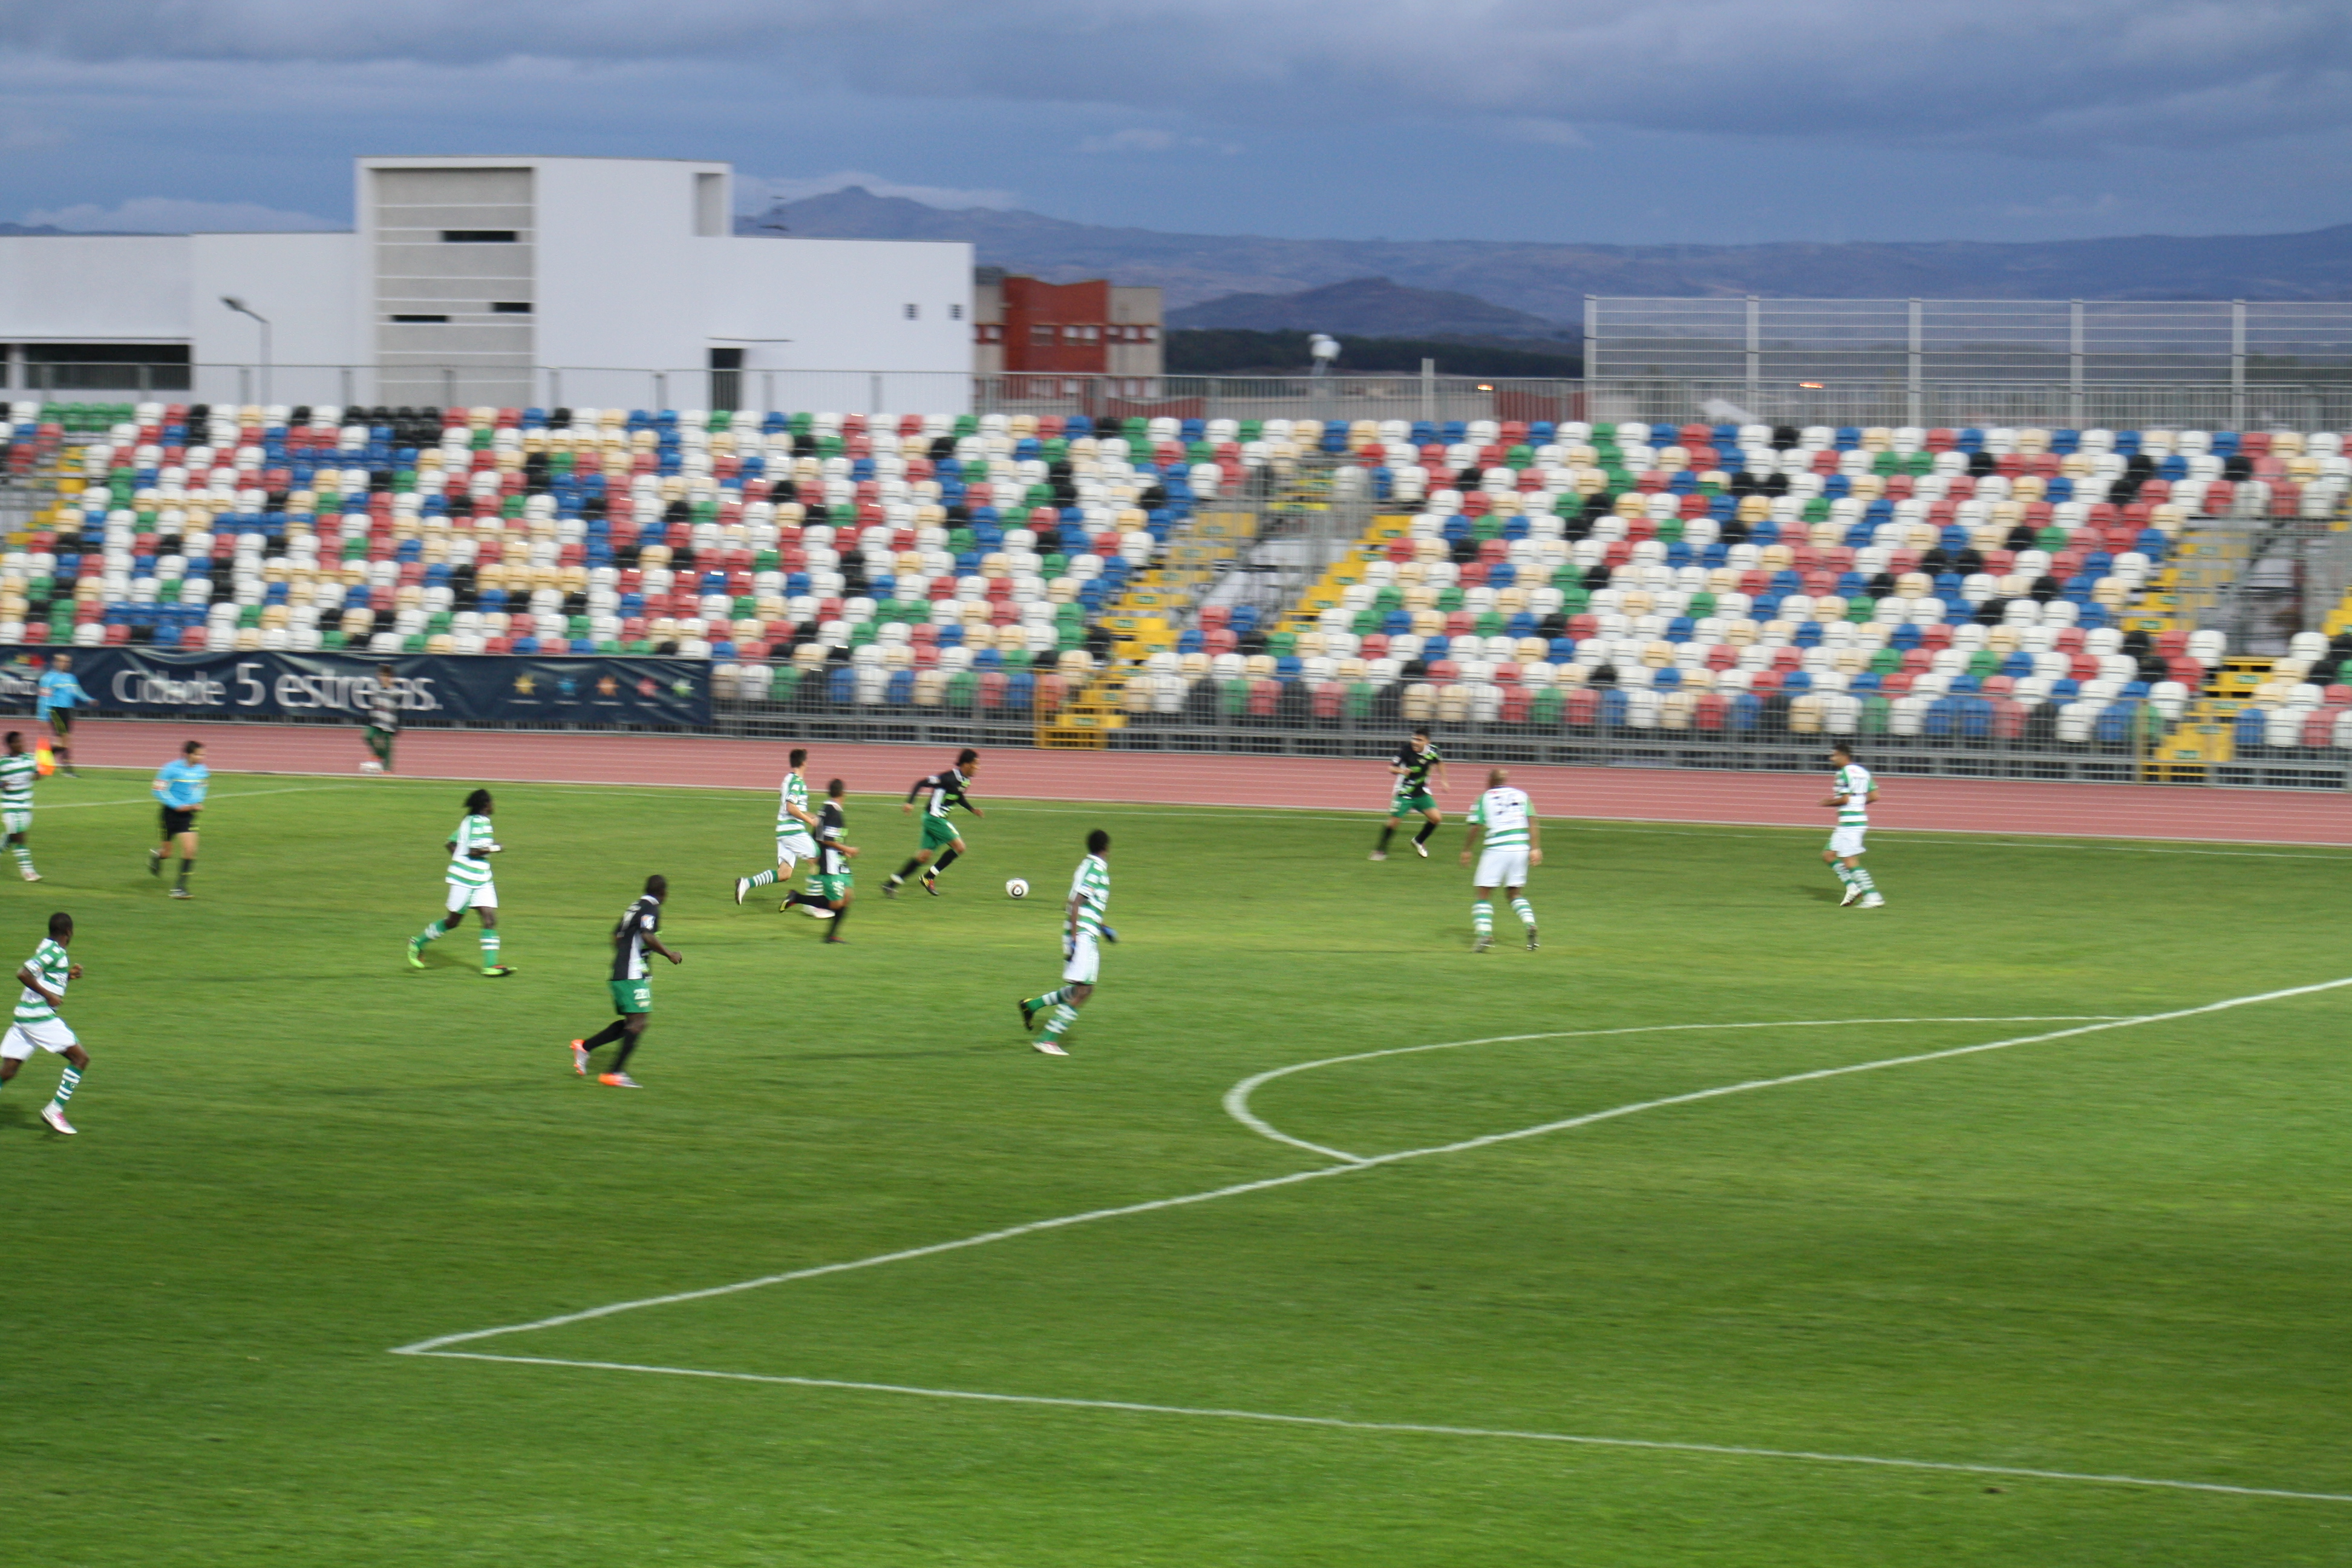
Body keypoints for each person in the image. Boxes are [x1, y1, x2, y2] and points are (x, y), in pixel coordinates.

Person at [570, 875, 682, 1088]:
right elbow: (647, 935)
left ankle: (584, 1047)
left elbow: (616, 936)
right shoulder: (651, 908)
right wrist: (669, 954)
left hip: (623, 971)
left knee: (632, 1023)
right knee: (638, 1023)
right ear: (664, 893)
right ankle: (614, 1073)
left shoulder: (635, 906)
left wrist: (627, 958)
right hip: (631, 973)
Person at [1018, 828, 1113, 1057]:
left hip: (1083, 931)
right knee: (1084, 991)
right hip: (1082, 935)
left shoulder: (1085, 866)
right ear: (1106, 849)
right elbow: (1075, 902)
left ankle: (1032, 1005)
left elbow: (1077, 903)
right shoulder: (1096, 868)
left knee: (1080, 988)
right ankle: (1048, 1039)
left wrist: (1102, 927)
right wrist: (1074, 939)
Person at [406, 788, 515, 975]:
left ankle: (490, 966)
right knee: (453, 921)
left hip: (482, 879)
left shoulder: (469, 821)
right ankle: (417, 943)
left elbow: (451, 843)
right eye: (491, 802)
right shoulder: (479, 823)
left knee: (490, 919)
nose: (493, 805)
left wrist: (458, 859)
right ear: (485, 805)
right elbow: (474, 851)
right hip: (465, 880)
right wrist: (496, 848)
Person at [0, 912, 89, 1135]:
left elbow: (43, 974)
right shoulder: (54, 951)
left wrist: (67, 976)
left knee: (9, 1070)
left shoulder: (48, 947)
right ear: (69, 932)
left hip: (24, 1017)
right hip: (38, 1018)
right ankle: (54, 1110)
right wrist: (49, 995)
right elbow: (24, 973)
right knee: (80, 1059)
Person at [734, 748, 829, 918]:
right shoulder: (798, 782)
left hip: (784, 831)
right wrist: (810, 821)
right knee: (818, 858)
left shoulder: (788, 779)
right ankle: (813, 906)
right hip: (793, 830)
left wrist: (815, 817)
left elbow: (795, 808)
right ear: (804, 763)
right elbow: (790, 807)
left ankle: (746, 884)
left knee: (784, 873)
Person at [1460, 767, 1541, 952]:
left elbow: (1475, 827)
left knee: (1483, 894)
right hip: (1521, 847)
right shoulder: (1522, 795)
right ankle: (1530, 924)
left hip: (1497, 848)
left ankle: (1484, 934)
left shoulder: (1484, 798)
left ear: (1490, 780)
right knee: (1515, 893)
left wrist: (1467, 850)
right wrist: (1536, 848)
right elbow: (1533, 821)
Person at [883, 748, 982, 898]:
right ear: (967, 764)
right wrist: (910, 803)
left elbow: (958, 796)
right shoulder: (947, 778)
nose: (978, 767)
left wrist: (972, 809)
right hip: (934, 819)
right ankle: (929, 877)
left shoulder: (965, 780)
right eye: (976, 764)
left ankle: (891, 884)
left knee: (924, 856)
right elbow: (920, 783)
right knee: (960, 847)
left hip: (934, 819)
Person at [777, 778, 856, 942]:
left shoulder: (825, 809)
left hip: (840, 863)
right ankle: (797, 898)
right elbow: (827, 839)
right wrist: (846, 849)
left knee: (848, 897)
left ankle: (832, 935)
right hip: (832, 864)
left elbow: (817, 833)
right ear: (843, 794)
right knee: (836, 904)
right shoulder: (833, 812)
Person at [1821, 745, 1884, 908]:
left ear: (1844, 756)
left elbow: (1844, 800)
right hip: (1855, 821)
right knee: (1829, 855)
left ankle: (1873, 897)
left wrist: (1828, 802)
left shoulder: (1842, 774)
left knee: (1850, 861)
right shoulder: (1863, 772)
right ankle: (1852, 887)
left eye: (1834, 755)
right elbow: (1875, 796)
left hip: (1850, 823)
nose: (1831, 759)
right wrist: (1859, 804)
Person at [1371, 728, 1448, 860]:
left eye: (1419, 740)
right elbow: (1391, 768)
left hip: (1421, 792)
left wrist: (1444, 780)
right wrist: (1401, 770)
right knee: (1393, 823)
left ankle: (1418, 841)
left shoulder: (1434, 751)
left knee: (1436, 818)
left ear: (1427, 742)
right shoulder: (1406, 751)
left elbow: (1439, 762)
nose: (1415, 742)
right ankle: (1380, 851)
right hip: (1404, 792)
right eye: (1414, 739)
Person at [149, 740, 208, 898]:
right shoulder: (171, 769)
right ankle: (158, 855)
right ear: (188, 754)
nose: (202, 757)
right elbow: (158, 790)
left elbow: (201, 787)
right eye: (198, 754)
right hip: (170, 814)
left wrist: (197, 802)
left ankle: (180, 888)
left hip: (187, 816)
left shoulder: (202, 770)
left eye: (203, 754)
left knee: (190, 850)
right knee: (168, 853)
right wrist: (176, 805)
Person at [36, 655, 87, 778]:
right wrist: (42, 717)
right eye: (63, 662)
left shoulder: (70, 678)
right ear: (56, 662)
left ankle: (44, 764)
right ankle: (66, 770)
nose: (66, 664)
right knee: (65, 740)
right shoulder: (48, 678)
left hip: (67, 711)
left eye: (68, 662)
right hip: (56, 711)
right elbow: (43, 699)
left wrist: (89, 700)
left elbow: (77, 692)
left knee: (64, 742)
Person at [0, 731, 41, 882]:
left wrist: (38, 774)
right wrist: (1, 784)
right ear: (11, 745)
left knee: (13, 836)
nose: (22, 744)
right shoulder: (3, 763)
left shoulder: (30, 759)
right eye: (18, 742)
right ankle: (28, 872)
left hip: (26, 805)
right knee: (20, 838)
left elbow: (37, 774)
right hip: (10, 805)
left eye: (22, 741)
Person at [361, 665, 401, 774]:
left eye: (387, 676)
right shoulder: (375, 689)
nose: (384, 678)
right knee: (368, 736)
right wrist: (370, 719)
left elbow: (398, 710)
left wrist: (397, 726)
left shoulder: (396, 692)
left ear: (391, 677)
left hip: (389, 723)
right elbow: (373, 706)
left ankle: (387, 770)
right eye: (382, 675)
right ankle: (378, 754)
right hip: (376, 721)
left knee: (388, 747)